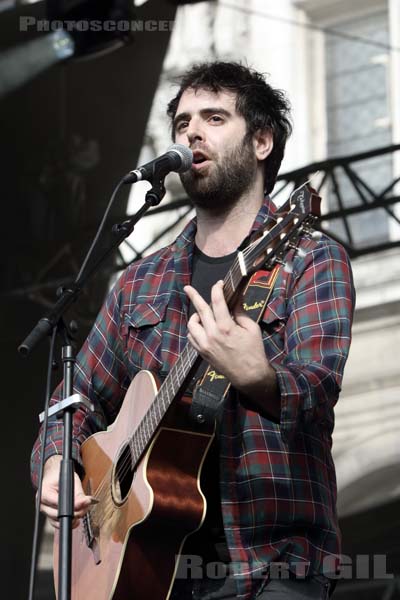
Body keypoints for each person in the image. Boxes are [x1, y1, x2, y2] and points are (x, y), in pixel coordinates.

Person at [31, 62, 355, 599]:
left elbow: (319, 389)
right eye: (183, 124)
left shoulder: (308, 258)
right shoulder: (139, 282)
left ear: (261, 141)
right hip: (148, 569)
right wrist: (57, 463)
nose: (192, 134)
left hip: (271, 564)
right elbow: (75, 400)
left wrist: (259, 376)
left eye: (214, 117)